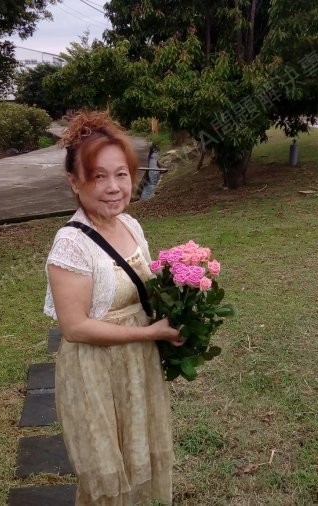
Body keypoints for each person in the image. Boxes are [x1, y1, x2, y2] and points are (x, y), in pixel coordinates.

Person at [43, 111, 185, 506]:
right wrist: (150, 333)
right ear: (74, 181)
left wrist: (180, 305)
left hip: (137, 364)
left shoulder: (130, 225)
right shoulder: (70, 245)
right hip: (95, 372)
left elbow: (144, 290)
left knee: (139, 456)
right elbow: (75, 328)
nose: (113, 187)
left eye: (121, 174)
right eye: (98, 176)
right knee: (107, 476)